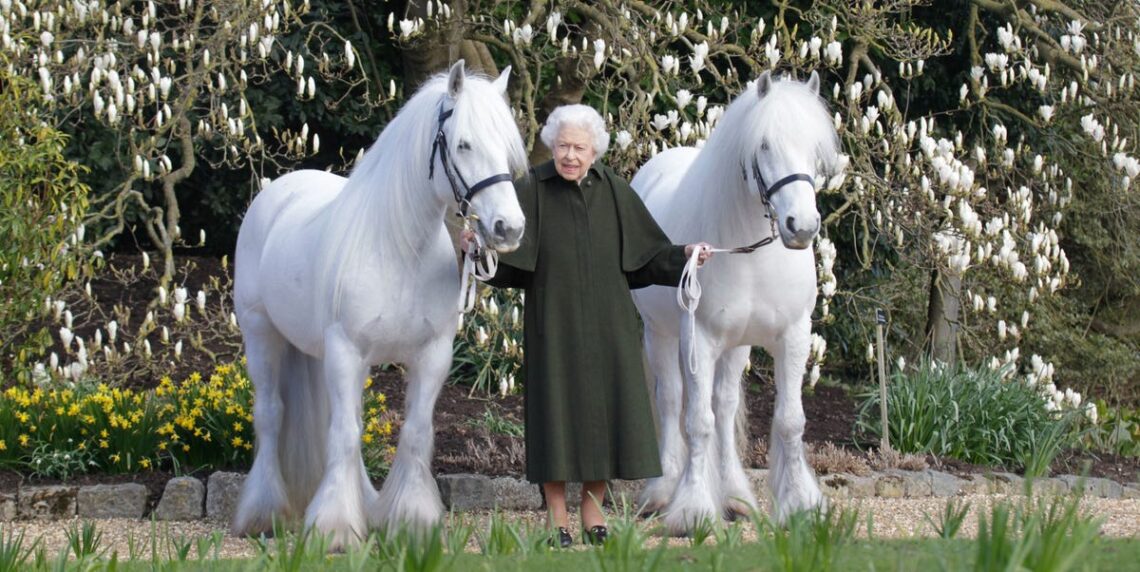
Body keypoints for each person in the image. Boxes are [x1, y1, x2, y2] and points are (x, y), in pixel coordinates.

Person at [466, 104, 711, 547]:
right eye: (562, 146)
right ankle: (556, 517)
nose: (570, 156)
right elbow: (508, 265)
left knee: (605, 417)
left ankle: (593, 511)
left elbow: (647, 258)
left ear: (594, 150)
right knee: (554, 418)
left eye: (579, 147)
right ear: (551, 146)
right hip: (552, 325)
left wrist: (686, 255)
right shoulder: (532, 190)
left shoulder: (615, 191)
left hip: (609, 326)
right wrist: (477, 251)